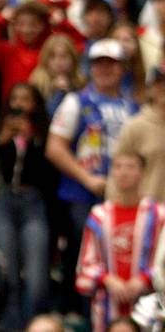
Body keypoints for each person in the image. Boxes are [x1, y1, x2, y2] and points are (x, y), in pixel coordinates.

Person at [46, 39, 139, 316]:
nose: (105, 70)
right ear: (90, 67)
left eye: (111, 64)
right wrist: (87, 179)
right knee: (81, 255)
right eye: (99, 64)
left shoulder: (132, 106)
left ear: (122, 68)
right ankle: (76, 315)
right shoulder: (76, 101)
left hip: (122, 196)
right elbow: (54, 147)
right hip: (82, 195)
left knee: (118, 256)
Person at [0, 83, 57, 331]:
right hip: (4, 204)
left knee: (37, 276)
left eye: (26, 99)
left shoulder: (43, 133)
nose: (20, 104)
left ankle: (35, 326)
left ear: (36, 104)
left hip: (34, 205)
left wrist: (34, 141)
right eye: (15, 98)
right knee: (8, 275)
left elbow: (49, 177)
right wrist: (2, 140)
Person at [76, 152, 165, 331]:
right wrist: (108, 279)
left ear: (142, 173)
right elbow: (84, 269)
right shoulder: (99, 215)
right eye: (118, 167)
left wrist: (145, 279)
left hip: (149, 307)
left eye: (131, 167)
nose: (124, 172)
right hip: (107, 309)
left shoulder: (159, 215)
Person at [0, 0, 84, 101]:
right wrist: (0, 19)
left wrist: (61, 23)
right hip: (13, 115)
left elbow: (79, 44)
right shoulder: (7, 52)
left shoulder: (52, 52)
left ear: (44, 25)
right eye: (20, 24)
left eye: (34, 24)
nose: (26, 30)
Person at [114, 67, 165, 203]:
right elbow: (116, 173)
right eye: (159, 83)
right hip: (149, 216)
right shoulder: (135, 126)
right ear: (149, 89)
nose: (163, 87)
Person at [29, 34, 87, 116]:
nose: (59, 62)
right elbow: (43, 119)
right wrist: (58, 94)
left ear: (73, 59)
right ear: (45, 60)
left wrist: (69, 92)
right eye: (52, 57)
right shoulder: (37, 84)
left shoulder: (81, 83)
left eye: (64, 56)